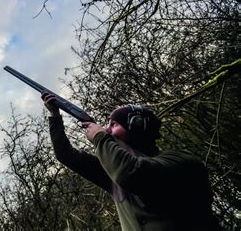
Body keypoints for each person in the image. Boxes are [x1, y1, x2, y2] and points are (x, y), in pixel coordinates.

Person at [41, 92, 219, 231]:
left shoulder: (182, 162)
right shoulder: (113, 171)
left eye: (113, 124)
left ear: (136, 127)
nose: (106, 129)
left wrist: (100, 138)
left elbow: (132, 173)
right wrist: (54, 115)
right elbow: (65, 155)